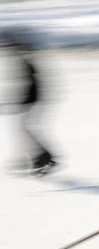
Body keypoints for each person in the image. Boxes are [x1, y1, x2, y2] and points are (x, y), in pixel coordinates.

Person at [2, 30, 56, 175]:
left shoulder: (24, 61)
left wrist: (22, 102)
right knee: (24, 128)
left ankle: (44, 156)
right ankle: (39, 157)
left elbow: (31, 83)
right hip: (34, 99)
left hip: (34, 99)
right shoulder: (25, 60)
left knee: (25, 128)